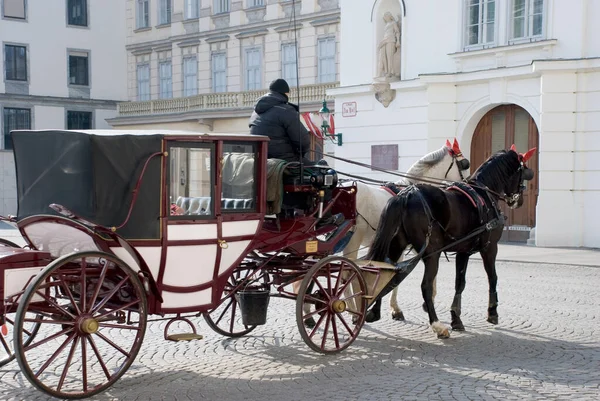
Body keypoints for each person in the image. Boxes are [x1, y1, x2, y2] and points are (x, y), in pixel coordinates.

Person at [249, 78, 313, 164]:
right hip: (284, 159)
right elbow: (303, 140)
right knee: (318, 169)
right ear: (285, 93)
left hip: (260, 160)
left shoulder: (255, 112)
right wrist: (303, 152)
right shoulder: (285, 110)